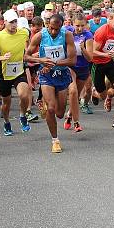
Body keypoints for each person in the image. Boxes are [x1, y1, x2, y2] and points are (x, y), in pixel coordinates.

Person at [25, 14, 77, 153]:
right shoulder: (40, 36)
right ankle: (55, 140)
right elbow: (27, 56)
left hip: (62, 74)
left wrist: (54, 62)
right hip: (46, 75)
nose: (54, 32)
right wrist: (41, 60)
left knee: (60, 113)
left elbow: (72, 60)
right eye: (51, 28)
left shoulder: (67, 35)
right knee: (52, 109)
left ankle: (47, 106)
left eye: (57, 29)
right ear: (48, 25)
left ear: (61, 27)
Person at [0, 10, 34, 135]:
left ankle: (22, 116)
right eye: (11, 22)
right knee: (6, 102)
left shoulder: (24, 33)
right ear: (4, 22)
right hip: (4, 73)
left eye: (15, 22)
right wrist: (1, 58)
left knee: (24, 95)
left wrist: (28, 54)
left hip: (19, 71)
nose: (14, 24)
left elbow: (29, 44)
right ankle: (6, 122)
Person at [70, 13, 95, 121]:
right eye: (77, 26)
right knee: (73, 91)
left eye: (82, 26)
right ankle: (76, 120)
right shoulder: (68, 33)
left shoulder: (88, 35)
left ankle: (70, 114)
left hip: (83, 67)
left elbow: (90, 58)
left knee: (76, 94)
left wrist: (83, 48)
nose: (80, 28)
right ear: (73, 24)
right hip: (71, 66)